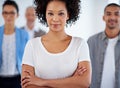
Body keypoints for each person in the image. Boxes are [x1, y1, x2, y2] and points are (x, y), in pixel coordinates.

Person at [21, 0, 91, 88]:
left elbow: (84, 82)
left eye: (61, 14)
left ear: (68, 15)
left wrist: (41, 82)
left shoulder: (80, 44)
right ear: (44, 14)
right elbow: (27, 85)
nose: (55, 19)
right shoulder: (32, 45)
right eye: (50, 13)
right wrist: (72, 81)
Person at [87, 3, 120, 88]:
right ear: (103, 17)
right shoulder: (92, 41)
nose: (112, 17)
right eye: (108, 14)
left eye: (117, 14)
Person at [0, 0, 29, 88]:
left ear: (17, 15)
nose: (8, 16)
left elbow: (28, 57)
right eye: (5, 13)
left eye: (12, 13)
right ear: (2, 14)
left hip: (18, 78)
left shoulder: (24, 34)